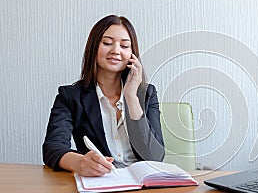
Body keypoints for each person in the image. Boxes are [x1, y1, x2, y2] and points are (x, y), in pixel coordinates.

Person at [42, 15, 165, 177]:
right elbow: (53, 147)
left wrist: (131, 97)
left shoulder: (147, 94)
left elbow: (155, 156)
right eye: (107, 43)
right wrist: (80, 162)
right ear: (93, 47)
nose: (116, 50)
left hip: (143, 185)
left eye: (124, 46)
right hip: (101, 182)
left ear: (132, 55)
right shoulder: (70, 96)